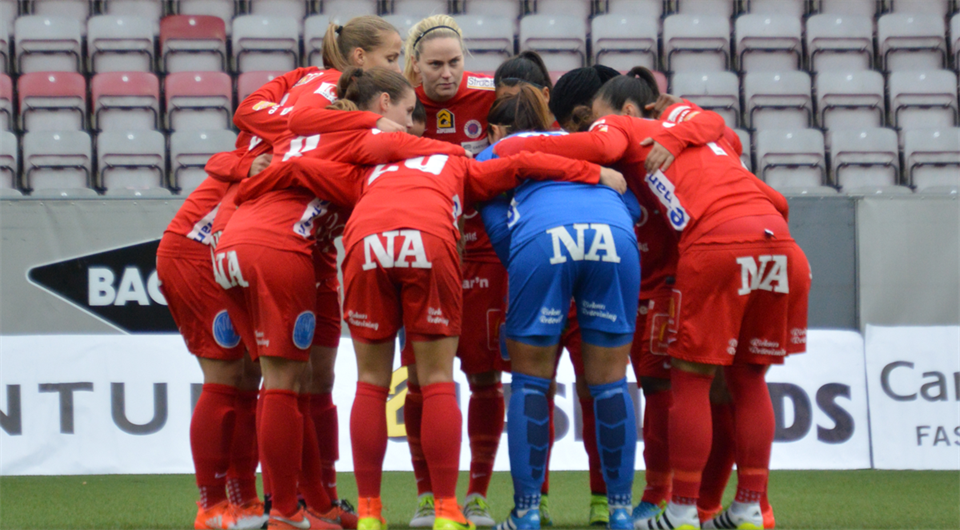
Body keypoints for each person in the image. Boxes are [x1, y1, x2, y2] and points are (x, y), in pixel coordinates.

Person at [261, 111, 624, 530]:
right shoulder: (458, 162)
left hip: (368, 244)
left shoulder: (367, 171)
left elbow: (298, 167)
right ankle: (448, 512)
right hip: (429, 240)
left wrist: (245, 183)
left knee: (371, 384)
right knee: (436, 381)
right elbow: (524, 164)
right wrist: (594, 173)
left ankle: (371, 514)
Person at [495, 76, 810, 530]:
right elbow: (762, 180)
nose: (595, 125)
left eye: (597, 117)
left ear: (622, 111)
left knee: (691, 380)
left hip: (715, 245)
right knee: (748, 379)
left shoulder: (622, 127)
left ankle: (680, 510)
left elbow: (597, 147)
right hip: (779, 242)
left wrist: (513, 148)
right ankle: (750, 506)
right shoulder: (700, 129)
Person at [475, 85, 641, 530]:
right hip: (614, 237)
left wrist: (522, 253)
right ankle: (620, 511)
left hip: (543, 241)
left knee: (531, 383)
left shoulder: (495, 151)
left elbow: (488, 209)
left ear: (497, 129)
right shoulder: (583, 141)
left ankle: (527, 510)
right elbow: (632, 204)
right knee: (610, 384)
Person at [401, 14, 504, 527]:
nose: (447, 74)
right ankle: (427, 495)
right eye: (436, 65)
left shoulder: (492, 95)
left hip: (483, 255)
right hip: (423, 256)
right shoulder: (400, 102)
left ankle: (478, 495)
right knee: (420, 381)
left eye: (455, 63)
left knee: (486, 376)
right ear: (415, 65)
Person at [157, 149, 271, 530]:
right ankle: (211, 506)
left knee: (250, 374)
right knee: (225, 374)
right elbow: (223, 158)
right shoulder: (293, 134)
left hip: (230, 252)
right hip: (195, 250)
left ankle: (244, 497)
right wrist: (244, 164)